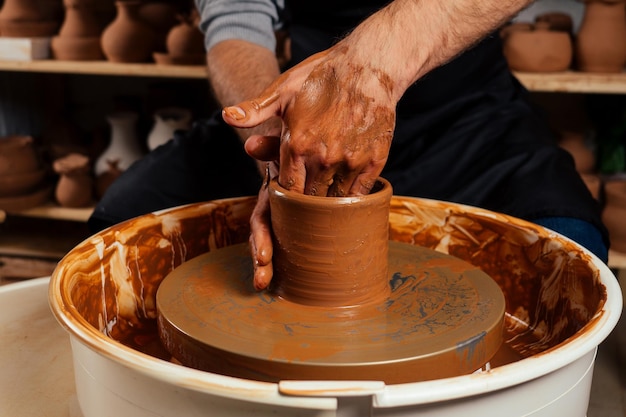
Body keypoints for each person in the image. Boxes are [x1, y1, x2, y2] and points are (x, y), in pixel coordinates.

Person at [89, 0, 609, 291]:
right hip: (303, 116)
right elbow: (236, 24)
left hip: (465, 115)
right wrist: (278, 149)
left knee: (568, 250)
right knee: (118, 228)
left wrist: (373, 67)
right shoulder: (289, 135)